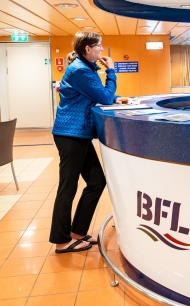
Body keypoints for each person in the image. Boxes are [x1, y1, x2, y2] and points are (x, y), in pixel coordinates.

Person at [49, 31, 121, 253]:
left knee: (97, 181)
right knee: (67, 188)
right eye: (98, 46)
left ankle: (78, 232)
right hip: (70, 135)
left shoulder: (86, 68)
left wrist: (109, 94)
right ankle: (61, 241)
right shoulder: (80, 70)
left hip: (78, 134)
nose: (101, 49)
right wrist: (111, 71)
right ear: (87, 49)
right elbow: (105, 97)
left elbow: (98, 94)